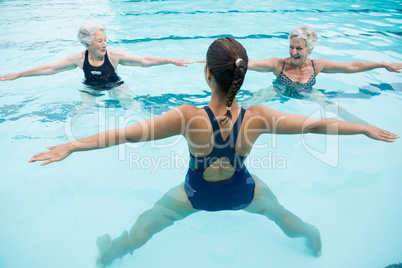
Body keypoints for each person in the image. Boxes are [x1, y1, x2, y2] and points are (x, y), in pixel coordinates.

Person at [29, 37, 399, 267]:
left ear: (207, 74)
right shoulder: (259, 117)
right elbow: (317, 124)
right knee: (280, 214)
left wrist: (70, 146)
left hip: (196, 195)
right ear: (242, 77)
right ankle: (311, 238)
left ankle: (112, 253)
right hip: (243, 192)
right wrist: (364, 127)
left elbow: (124, 136)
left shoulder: (188, 118)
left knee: (149, 222)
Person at [0, 21, 194, 110]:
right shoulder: (78, 58)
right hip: (90, 86)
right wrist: (17, 75)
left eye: (105, 40)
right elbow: (49, 69)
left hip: (115, 85)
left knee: (133, 107)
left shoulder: (114, 56)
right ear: (87, 43)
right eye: (99, 41)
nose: (104, 44)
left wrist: (171, 60)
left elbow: (144, 60)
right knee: (82, 112)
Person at [247, 24, 402, 123]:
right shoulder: (278, 64)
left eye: (299, 49)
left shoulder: (317, 66)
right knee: (246, 105)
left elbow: (352, 66)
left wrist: (381, 64)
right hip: (277, 90)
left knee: (337, 109)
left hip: (307, 92)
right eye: (291, 47)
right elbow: (251, 63)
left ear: (310, 49)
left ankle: (365, 128)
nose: (294, 52)